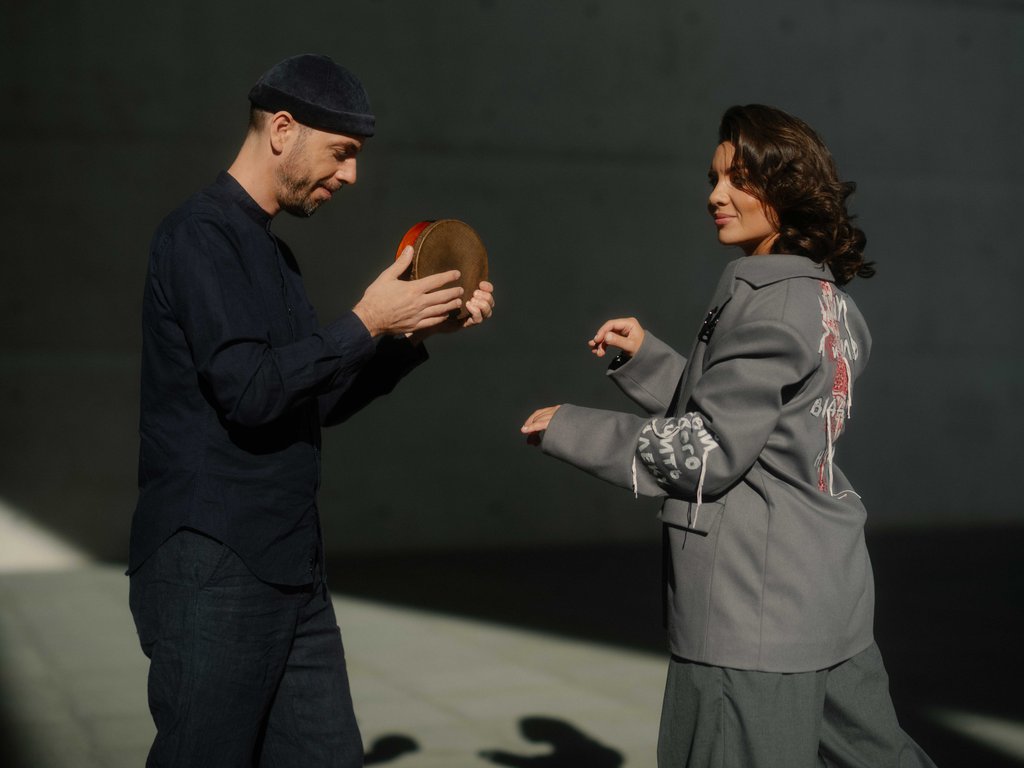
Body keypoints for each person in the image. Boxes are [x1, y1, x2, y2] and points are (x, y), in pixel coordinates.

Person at [521, 105, 935, 767]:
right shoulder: (827, 302)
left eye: (740, 178)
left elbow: (708, 450)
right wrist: (650, 362)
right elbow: (764, 423)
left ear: (788, 187)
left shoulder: (768, 303)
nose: (715, 195)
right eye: (715, 177)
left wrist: (571, 428)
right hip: (826, 601)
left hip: (753, 613)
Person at [128, 53, 495, 767]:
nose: (351, 175)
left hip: (290, 566)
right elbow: (252, 391)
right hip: (214, 564)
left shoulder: (275, 256)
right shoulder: (198, 235)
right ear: (283, 129)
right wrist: (364, 320)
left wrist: (406, 332)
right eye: (342, 153)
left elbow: (313, 400)